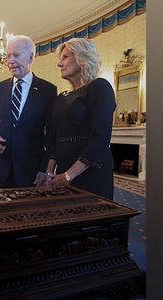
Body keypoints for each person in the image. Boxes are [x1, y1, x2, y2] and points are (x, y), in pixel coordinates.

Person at [40, 38, 116, 199]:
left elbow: (100, 138)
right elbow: (53, 137)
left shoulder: (100, 87)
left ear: (83, 58)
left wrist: (69, 176)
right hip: (62, 173)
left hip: (91, 175)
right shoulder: (61, 97)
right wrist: (49, 171)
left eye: (65, 57)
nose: (59, 64)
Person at [0, 35, 57, 188]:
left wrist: (44, 168)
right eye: (8, 55)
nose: (10, 61)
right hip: (2, 170)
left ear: (31, 57)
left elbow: (52, 135)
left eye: (16, 55)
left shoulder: (48, 90)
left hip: (32, 172)